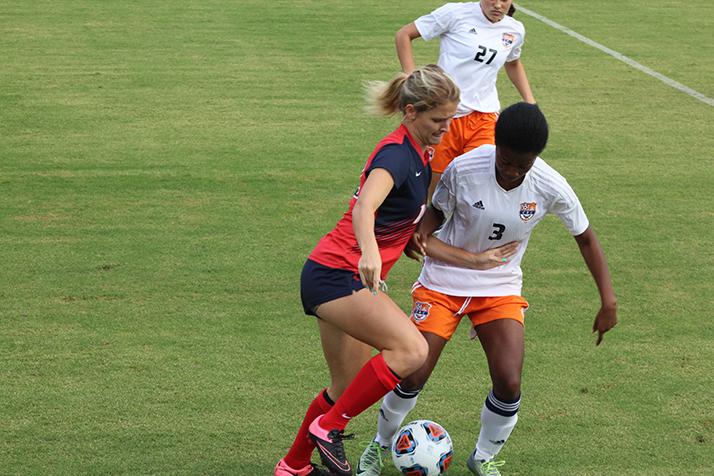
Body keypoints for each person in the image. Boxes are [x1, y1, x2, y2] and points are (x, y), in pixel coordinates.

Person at [274, 65, 518, 476]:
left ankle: (293, 466)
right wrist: (371, 251)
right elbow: (366, 205)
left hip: (335, 274)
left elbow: (392, 211)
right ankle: (328, 428)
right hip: (339, 275)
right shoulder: (396, 154)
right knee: (411, 351)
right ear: (410, 112)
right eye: (438, 120)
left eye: (451, 119)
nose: (446, 128)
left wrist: (402, 238)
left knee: (346, 386)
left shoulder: (419, 152)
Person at [356, 103, 618, 476]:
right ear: (495, 145)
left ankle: (482, 456)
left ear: (535, 159)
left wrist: (607, 299)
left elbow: (587, 239)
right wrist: (422, 233)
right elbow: (436, 212)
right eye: (506, 161)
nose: (512, 171)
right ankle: (378, 446)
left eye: (521, 165)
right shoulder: (465, 168)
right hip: (443, 281)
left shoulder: (550, 185)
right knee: (413, 371)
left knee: (509, 380)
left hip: (499, 286)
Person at [395, 0, 536, 199]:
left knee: (477, 187)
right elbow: (404, 35)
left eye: (504, 0)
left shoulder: (515, 30)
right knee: (433, 193)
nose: (497, 5)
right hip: (445, 117)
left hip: (484, 119)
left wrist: (530, 101)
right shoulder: (455, 13)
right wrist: (412, 79)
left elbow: (513, 63)